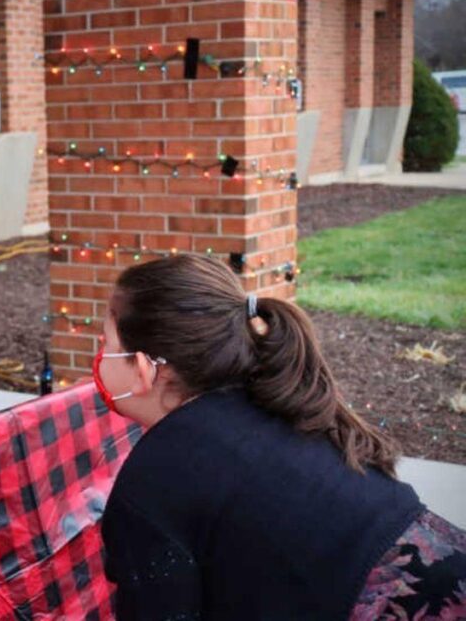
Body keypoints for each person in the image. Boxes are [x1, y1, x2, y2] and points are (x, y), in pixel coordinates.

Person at [93, 255, 466, 621]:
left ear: (144, 368)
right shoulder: (276, 400)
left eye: (105, 342)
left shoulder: (153, 479)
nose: (98, 356)